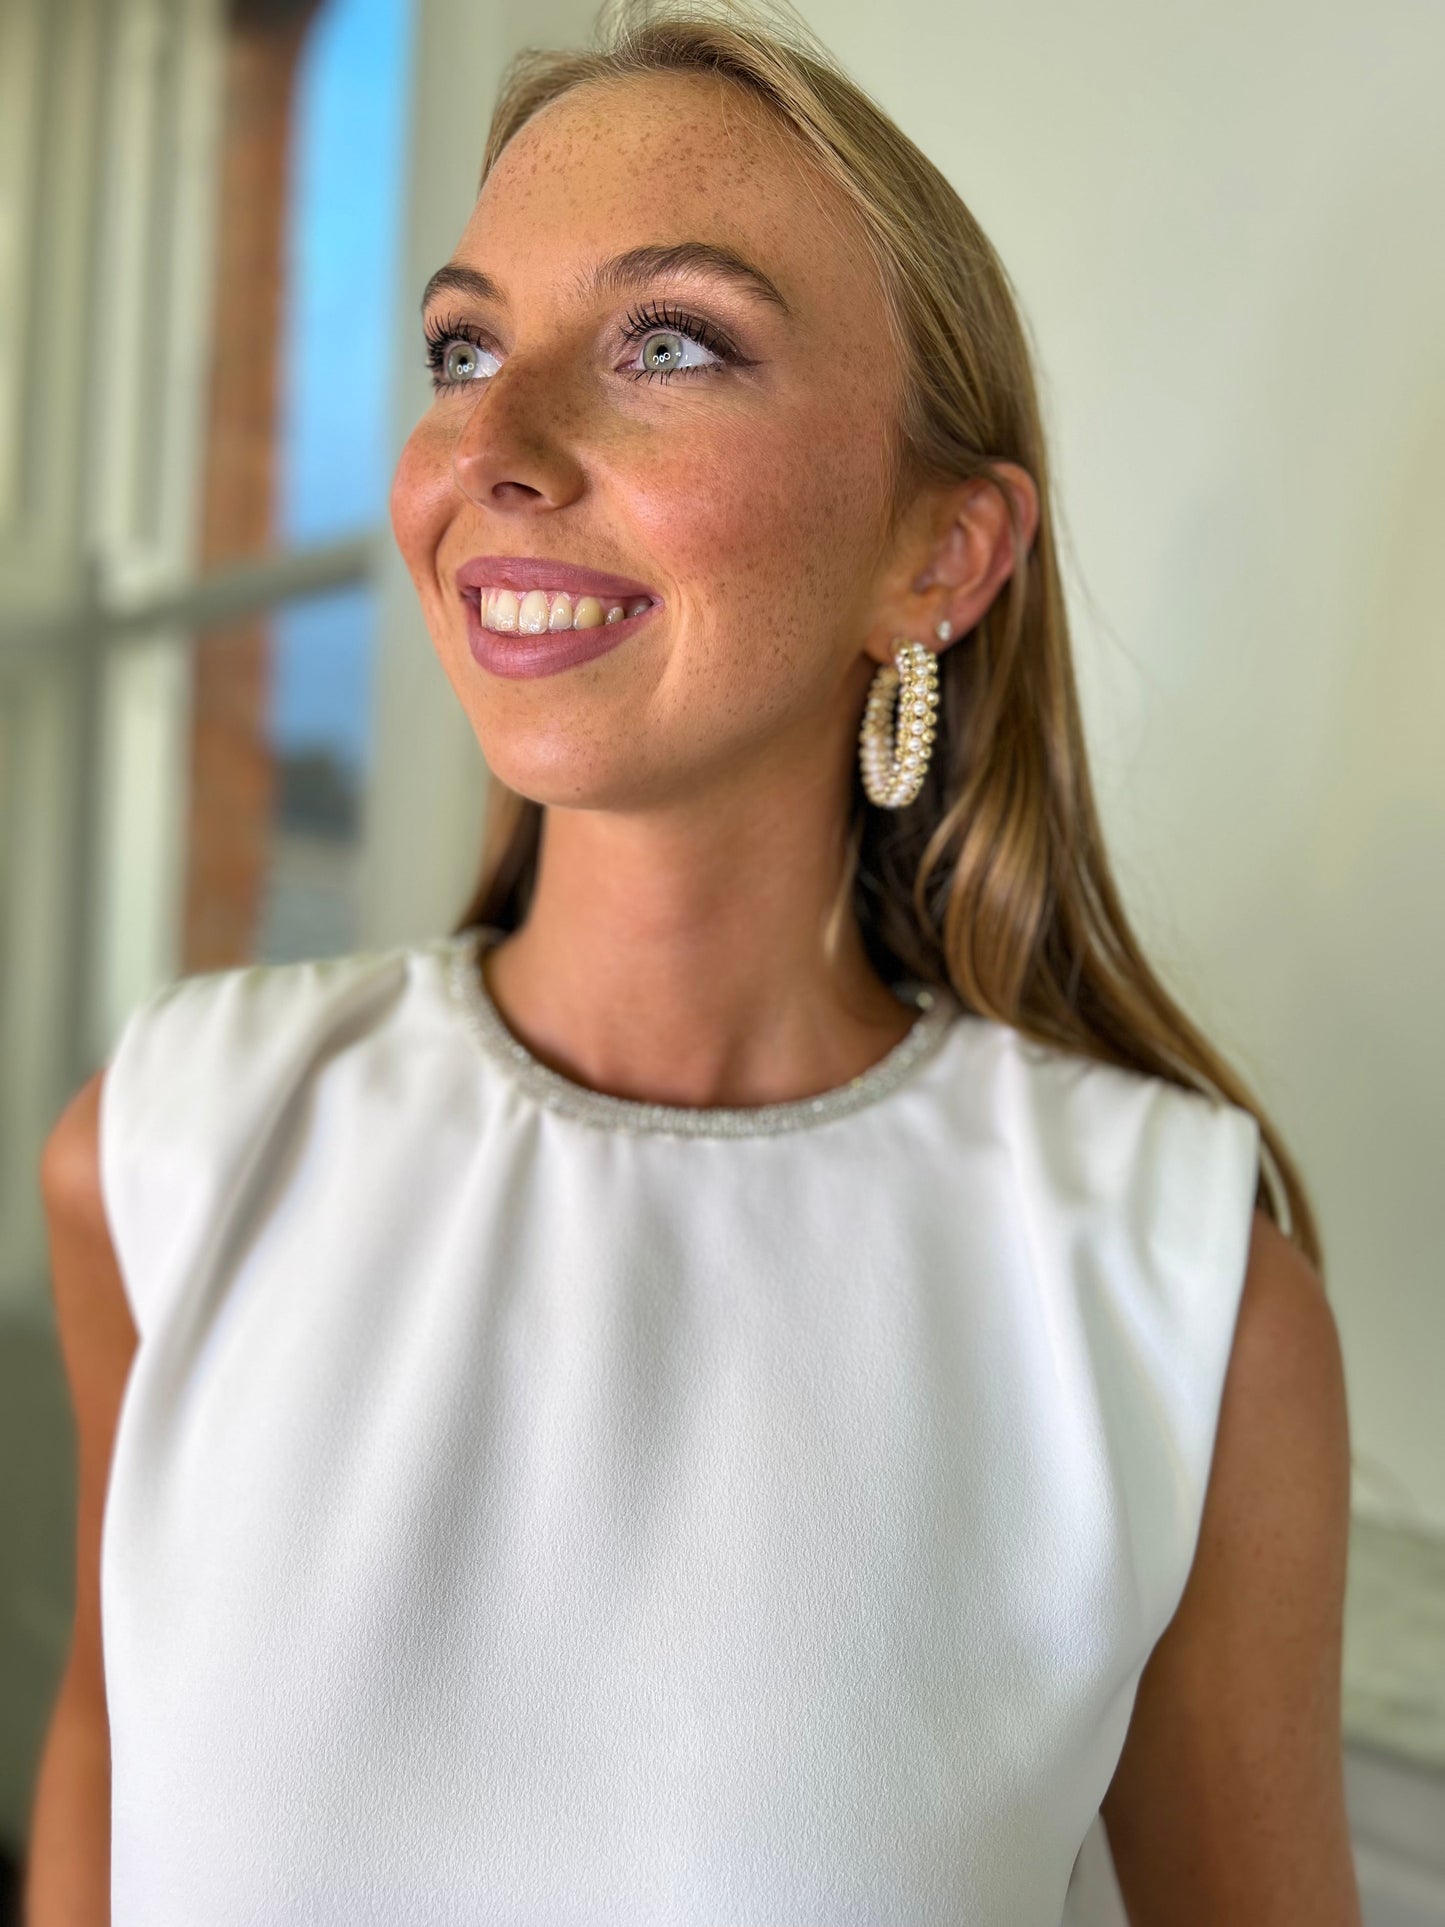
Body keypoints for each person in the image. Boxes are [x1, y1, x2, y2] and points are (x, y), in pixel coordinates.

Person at [28, 0, 1360, 1920]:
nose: (488, 443)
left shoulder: (1170, 1305)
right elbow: (105, 1752)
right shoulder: (168, 1152)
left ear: (942, 553)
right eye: (460, 347)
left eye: (671, 343)